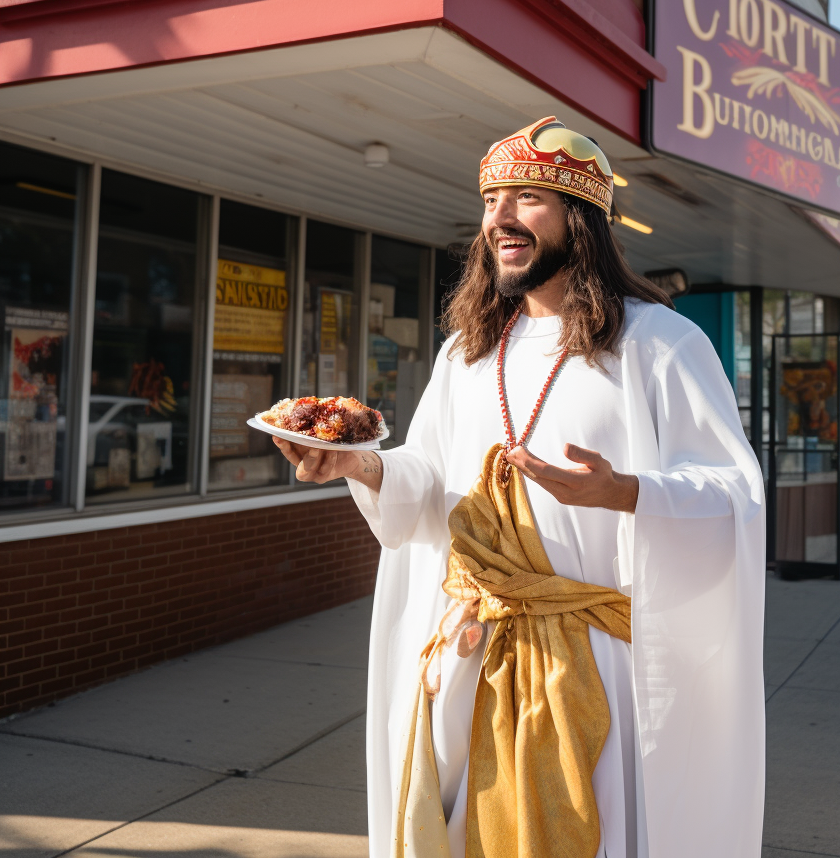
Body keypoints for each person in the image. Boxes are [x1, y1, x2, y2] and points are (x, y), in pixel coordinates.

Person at [273, 117, 766, 858]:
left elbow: (732, 491)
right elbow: (431, 481)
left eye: (527, 197)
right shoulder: (465, 353)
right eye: (491, 200)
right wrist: (362, 465)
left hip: (596, 666)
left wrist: (624, 491)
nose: (498, 218)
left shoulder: (659, 344)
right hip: (472, 655)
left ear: (582, 220)